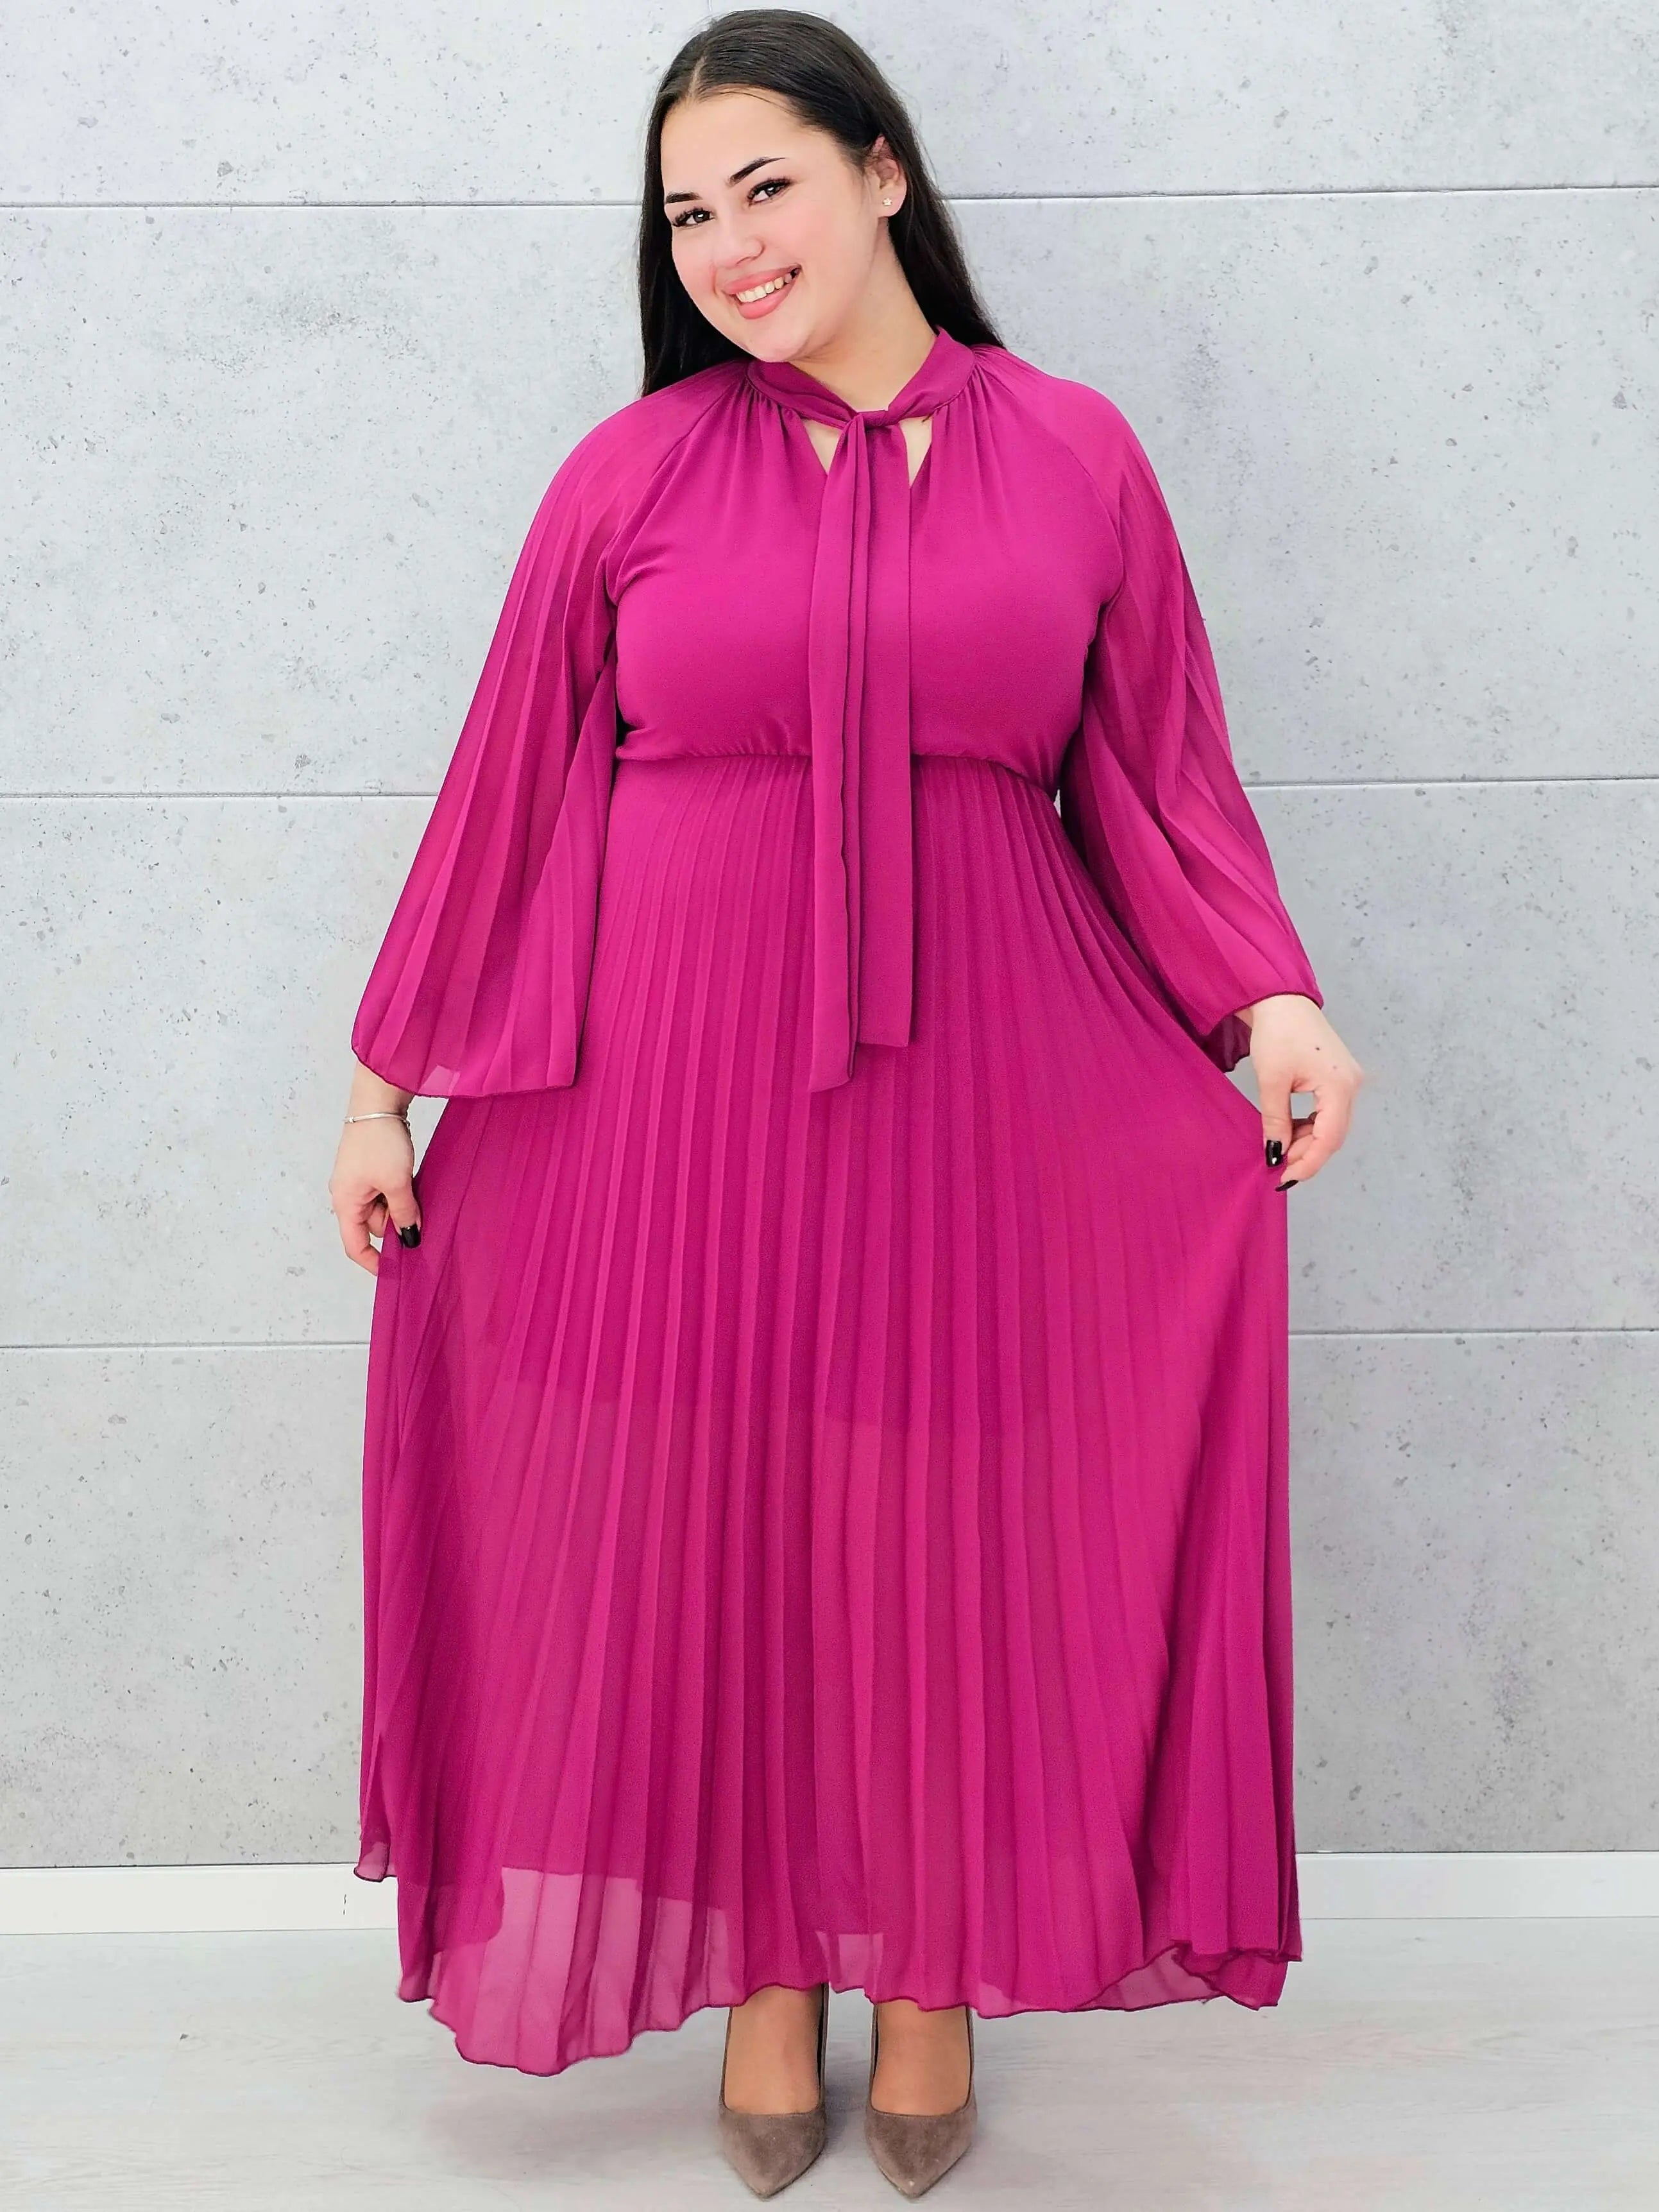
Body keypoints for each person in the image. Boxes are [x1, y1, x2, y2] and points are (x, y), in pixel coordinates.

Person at [328, 10, 1363, 2199]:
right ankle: (768, 1967)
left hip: (989, 1087)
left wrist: (1269, 1004)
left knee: (945, 1529)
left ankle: (935, 1967)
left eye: (765, 187)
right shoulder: (628, 475)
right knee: (715, 1520)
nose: (727, 245)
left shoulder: (1074, 453)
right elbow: (505, 793)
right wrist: (379, 1090)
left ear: (882, 172)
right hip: (663, 1091)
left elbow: (1156, 776)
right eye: (685, 213)